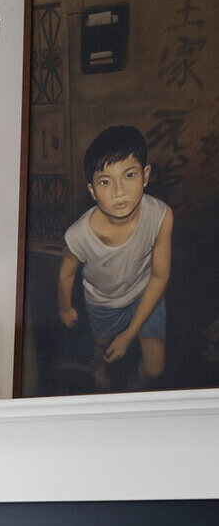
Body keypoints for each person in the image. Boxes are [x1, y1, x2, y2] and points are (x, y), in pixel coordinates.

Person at [58, 125, 173, 391]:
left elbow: (160, 275)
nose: (119, 191)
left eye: (129, 175)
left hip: (147, 293)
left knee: (156, 368)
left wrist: (130, 334)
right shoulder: (79, 234)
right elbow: (67, 272)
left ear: (145, 175)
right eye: (105, 182)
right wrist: (65, 307)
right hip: (104, 301)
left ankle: (135, 389)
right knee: (104, 348)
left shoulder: (161, 215)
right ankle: (98, 365)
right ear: (92, 190)